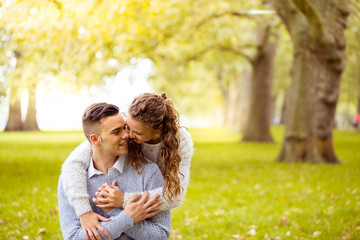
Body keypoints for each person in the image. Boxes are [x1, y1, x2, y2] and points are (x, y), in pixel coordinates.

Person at [61, 92, 194, 237]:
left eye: (135, 132)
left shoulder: (174, 148)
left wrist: (122, 202)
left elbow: (173, 196)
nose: (128, 135)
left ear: (158, 130)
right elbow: (74, 161)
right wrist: (84, 212)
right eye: (125, 127)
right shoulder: (73, 177)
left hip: (147, 182)